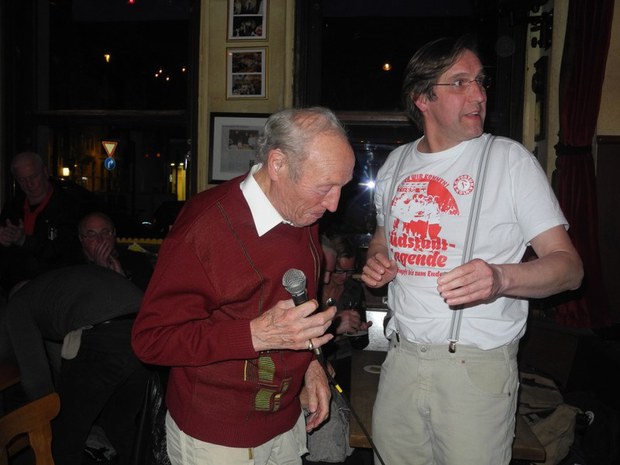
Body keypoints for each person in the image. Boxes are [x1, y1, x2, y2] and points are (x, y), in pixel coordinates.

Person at [361, 35, 583, 465]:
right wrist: (376, 261)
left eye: (480, 81)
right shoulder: (395, 164)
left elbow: (570, 269)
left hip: (474, 366)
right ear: (422, 98)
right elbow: (382, 238)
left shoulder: (509, 161)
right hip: (400, 358)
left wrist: (500, 278)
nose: (479, 94)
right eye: (460, 82)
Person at [131, 107, 355, 465]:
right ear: (278, 164)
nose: (333, 205)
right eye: (324, 187)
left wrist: (312, 366)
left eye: (342, 186)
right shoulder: (205, 228)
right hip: (218, 438)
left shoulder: (303, 215)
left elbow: (298, 314)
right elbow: (151, 341)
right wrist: (253, 335)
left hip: (286, 423)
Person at [6, 265, 150, 465]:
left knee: (64, 439)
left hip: (105, 334)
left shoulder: (18, 303)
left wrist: (48, 416)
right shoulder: (58, 288)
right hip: (147, 331)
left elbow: (35, 378)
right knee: (119, 424)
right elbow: (62, 360)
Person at [0, 151, 83, 293]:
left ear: (45, 172)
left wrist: (23, 240)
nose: (29, 184)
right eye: (22, 180)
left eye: (33, 177)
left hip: (55, 287)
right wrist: (3, 240)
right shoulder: (13, 205)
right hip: (16, 287)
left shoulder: (68, 206)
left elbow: (66, 252)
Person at [79, 211, 154, 291]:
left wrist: (121, 279)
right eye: (92, 235)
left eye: (105, 233)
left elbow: (145, 295)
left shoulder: (137, 260)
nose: (100, 240)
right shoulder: (75, 267)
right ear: (81, 238)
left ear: (114, 233)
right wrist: (102, 271)